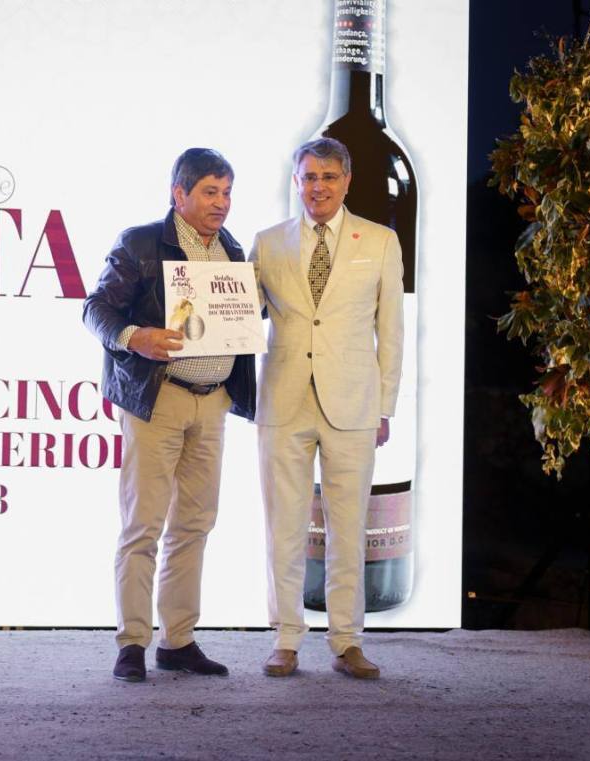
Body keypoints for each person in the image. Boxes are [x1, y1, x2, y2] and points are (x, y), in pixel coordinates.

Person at [82, 148, 256, 682]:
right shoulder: (140, 243)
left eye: (227, 192)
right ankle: (132, 642)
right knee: (144, 525)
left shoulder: (232, 249)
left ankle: (177, 641)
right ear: (179, 194)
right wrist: (135, 337)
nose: (221, 203)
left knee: (195, 524)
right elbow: (96, 308)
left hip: (213, 401)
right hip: (158, 398)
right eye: (210, 192)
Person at [249, 137, 403, 679]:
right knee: (283, 527)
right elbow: (241, 316)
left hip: (355, 404)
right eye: (309, 177)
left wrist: (385, 406)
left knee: (348, 527)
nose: (318, 187)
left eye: (329, 177)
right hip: (283, 401)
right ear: (296, 181)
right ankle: (285, 638)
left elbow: (391, 331)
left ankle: (347, 641)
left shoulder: (380, 241)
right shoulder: (267, 243)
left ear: (347, 181)